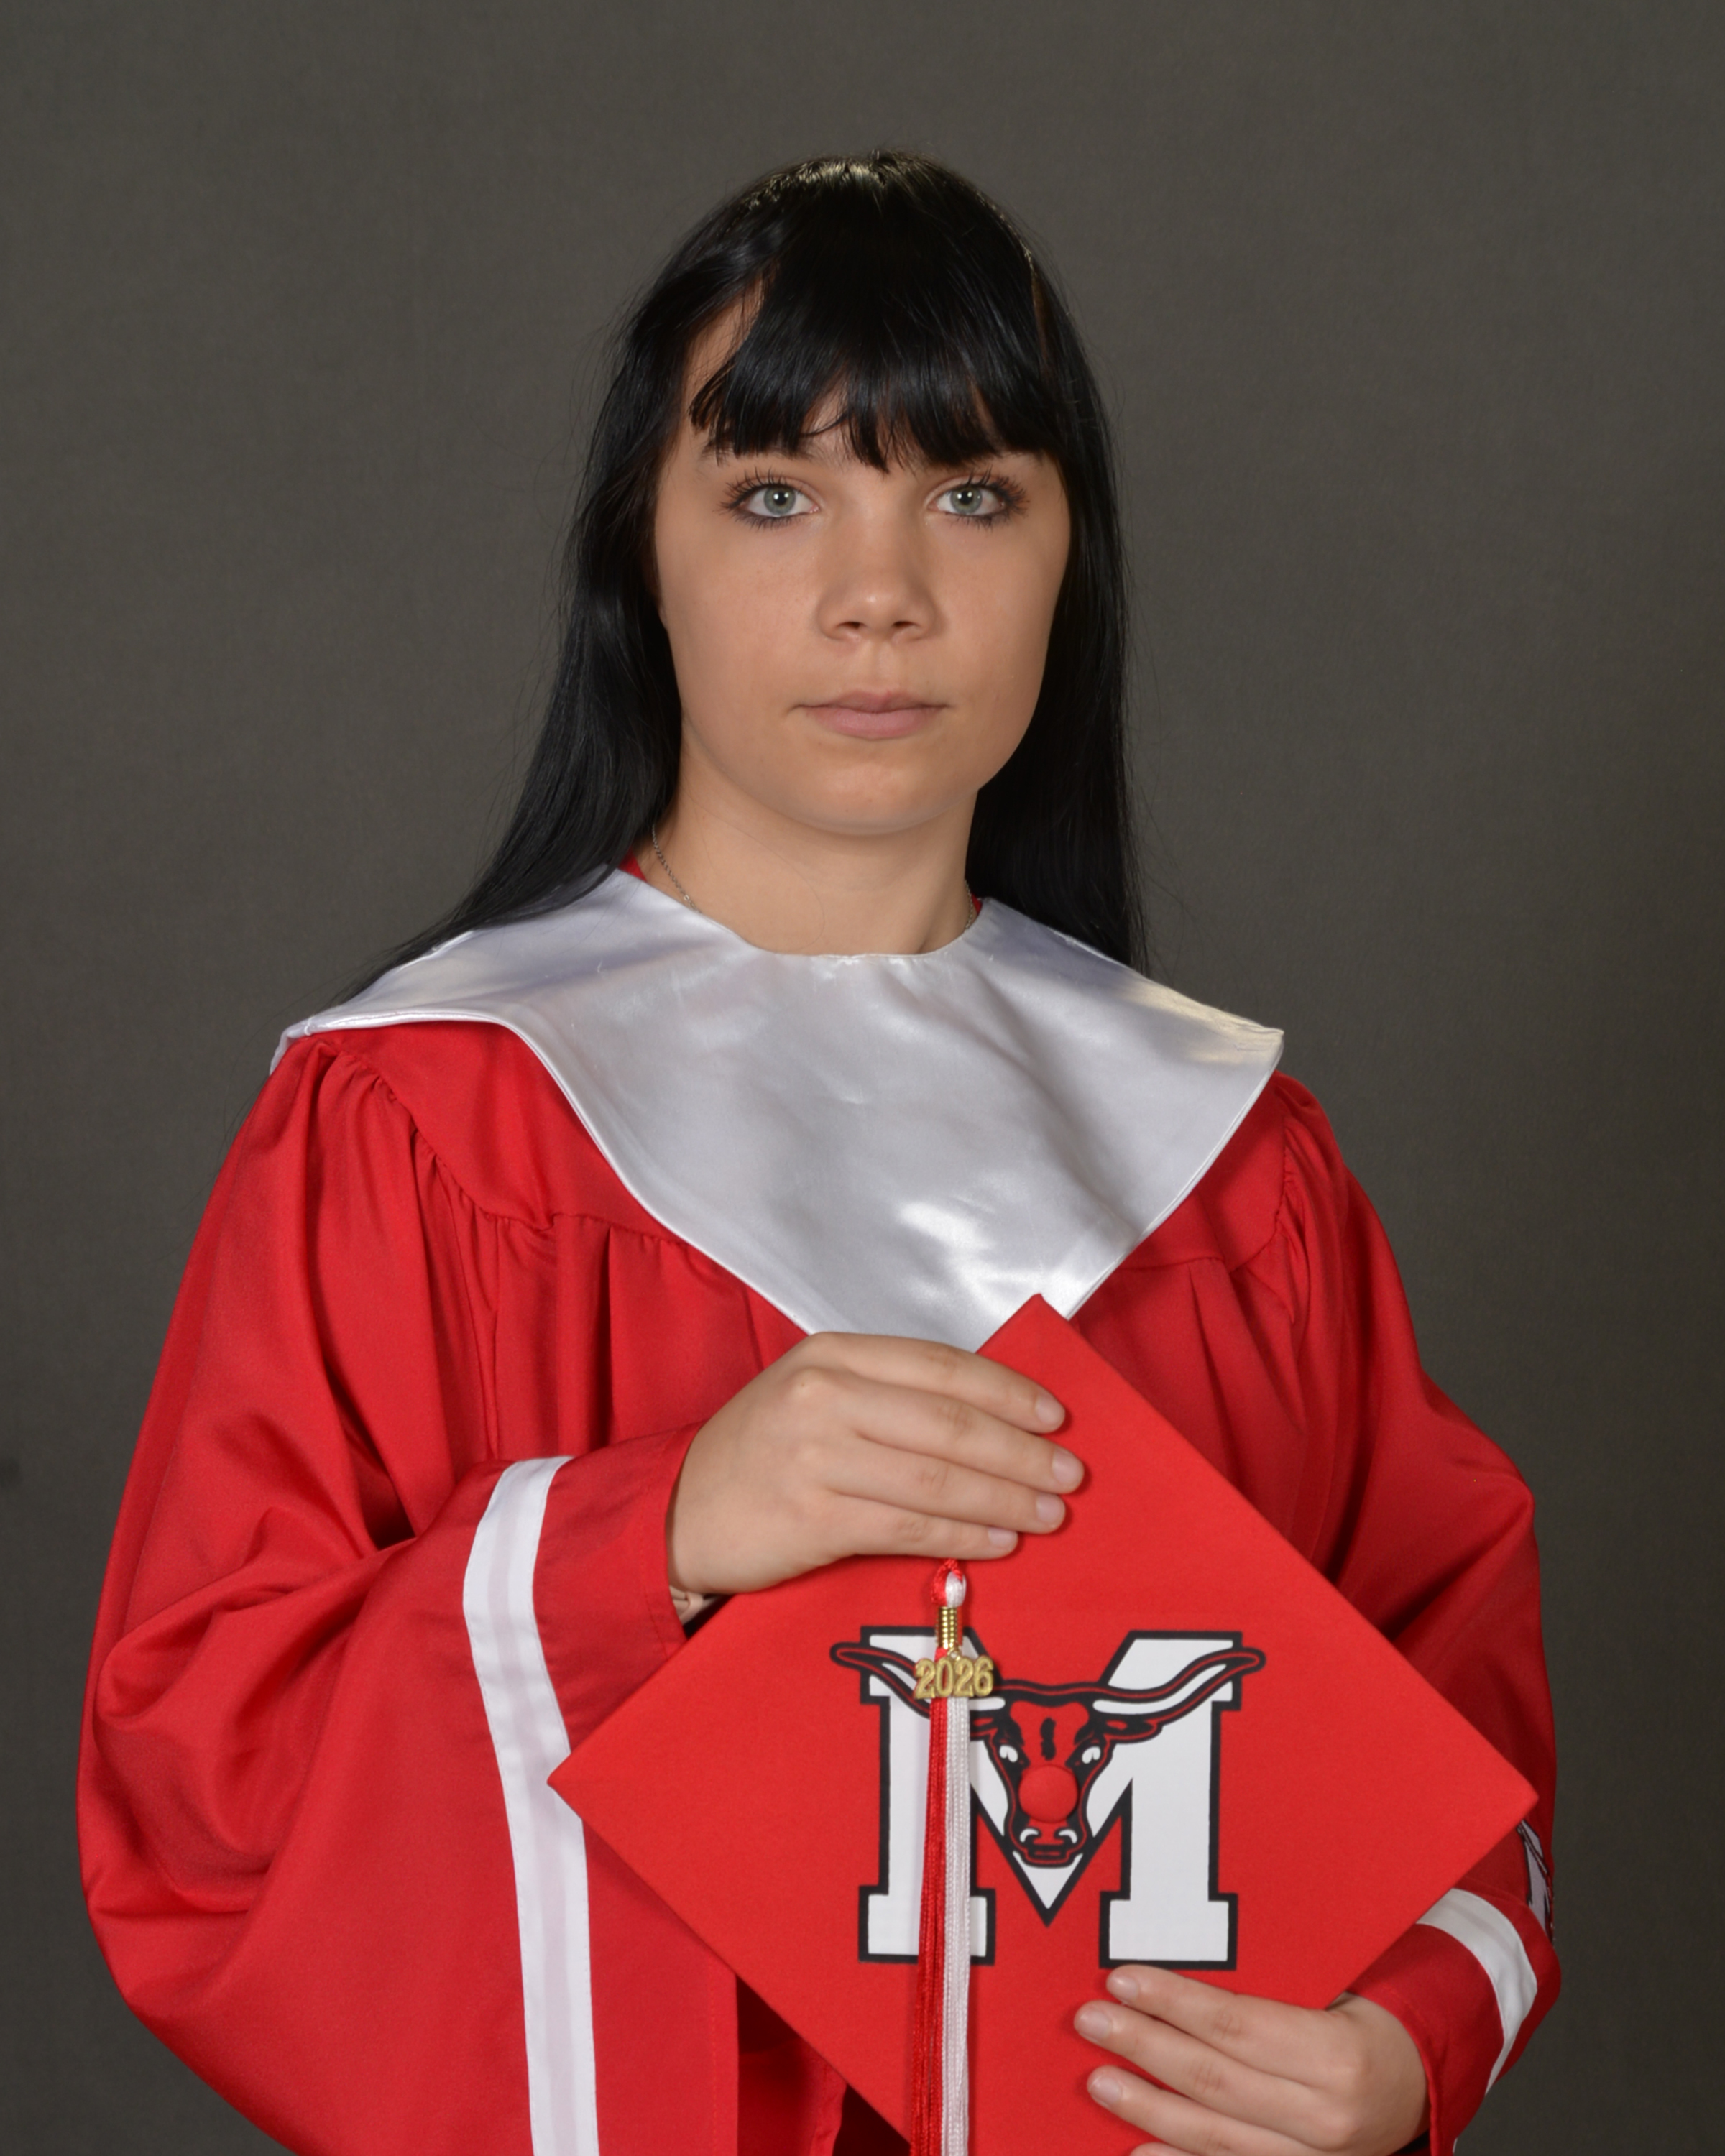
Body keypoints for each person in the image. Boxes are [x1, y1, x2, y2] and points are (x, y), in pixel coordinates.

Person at [78, 153, 1558, 2156]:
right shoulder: (426, 1119)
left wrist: (1398, 2045)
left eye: (973, 496)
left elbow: (1445, 1729)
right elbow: (203, 1777)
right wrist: (650, 1537)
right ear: (643, 554)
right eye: (777, 495)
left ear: (1072, 558)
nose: (884, 594)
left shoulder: (1231, 1169)